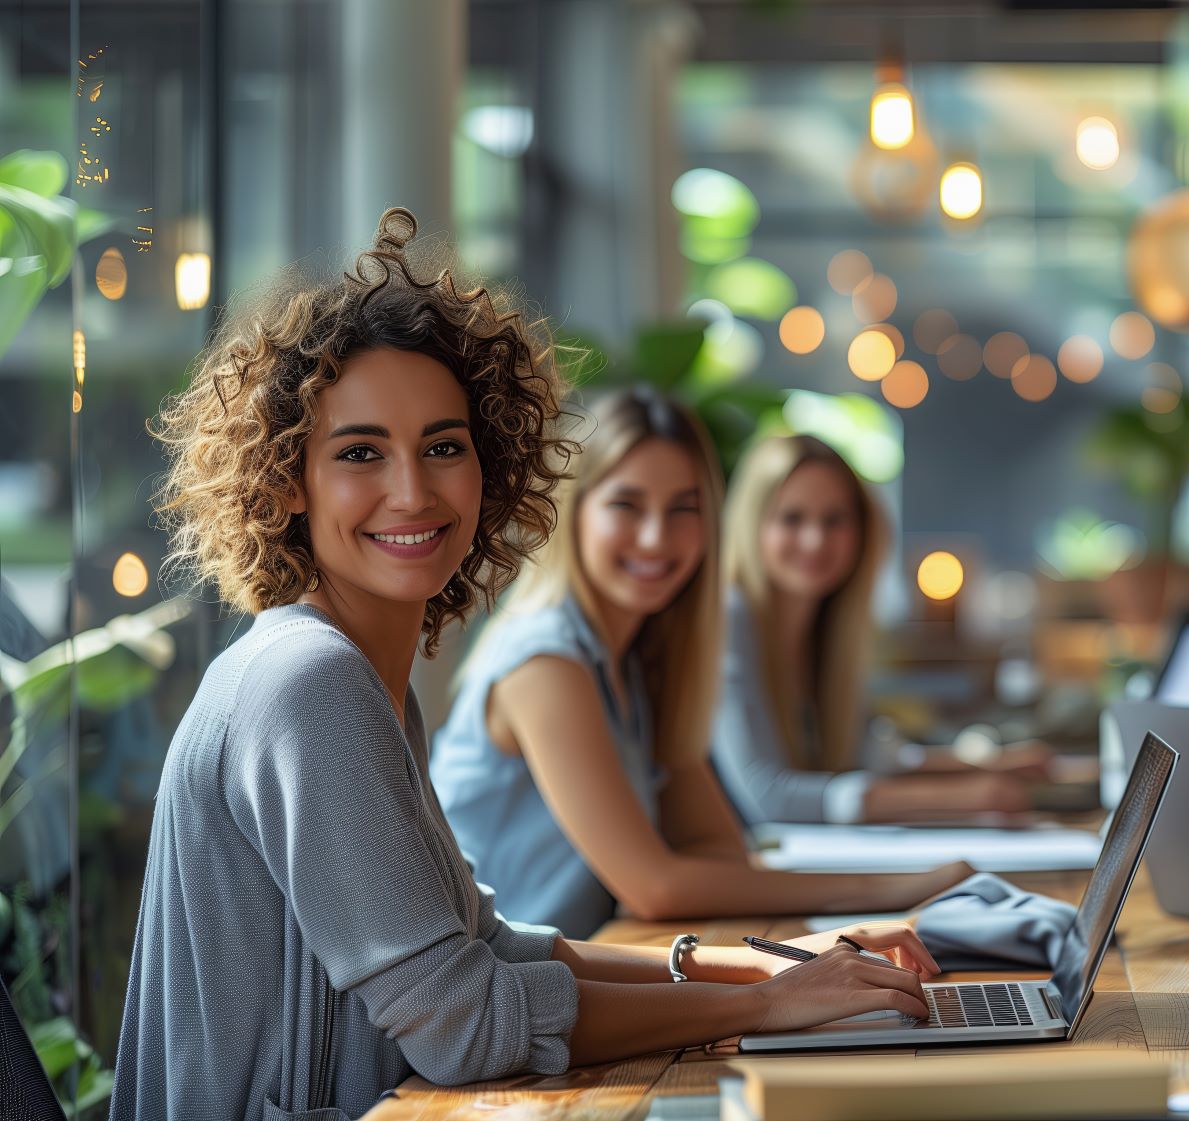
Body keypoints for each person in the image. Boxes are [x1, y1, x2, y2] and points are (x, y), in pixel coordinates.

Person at [114, 211, 936, 1121]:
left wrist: (770, 962)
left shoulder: (357, 676)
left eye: (443, 446)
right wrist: (762, 1007)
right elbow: (464, 1024)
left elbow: (490, 944)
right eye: (359, 453)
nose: (413, 490)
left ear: (488, 468)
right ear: (284, 483)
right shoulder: (308, 683)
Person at [431, 388, 974, 937]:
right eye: (626, 505)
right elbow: (657, 887)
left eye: (683, 509)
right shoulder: (545, 660)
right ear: (574, 511)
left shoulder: (645, 657)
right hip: (486, 1005)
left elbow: (715, 848)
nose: (656, 537)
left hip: (578, 972)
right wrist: (896, 888)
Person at [712, 433, 1046, 825]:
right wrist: (959, 797)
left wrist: (994, 768)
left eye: (834, 520)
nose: (815, 540)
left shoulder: (830, 633)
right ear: (752, 524)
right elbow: (768, 797)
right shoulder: (728, 620)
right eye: (792, 518)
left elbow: (867, 757)